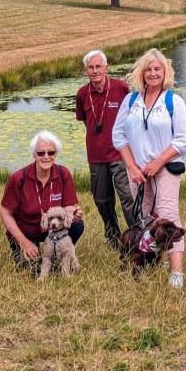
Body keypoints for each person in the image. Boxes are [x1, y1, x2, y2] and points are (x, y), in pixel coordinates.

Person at [112, 48, 186, 289]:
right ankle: (148, 260)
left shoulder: (173, 101)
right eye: (149, 69)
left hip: (165, 169)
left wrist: (157, 162)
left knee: (168, 217)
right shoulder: (131, 101)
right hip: (137, 171)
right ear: (141, 72)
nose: (153, 73)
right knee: (144, 218)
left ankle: (176, 273)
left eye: (158, 69)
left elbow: (183, 139)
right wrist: (132, 167)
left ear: (165, 72)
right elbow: (118, 135)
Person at [75, 49, 137, 248]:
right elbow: (86, 120)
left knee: (128, 197)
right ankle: (113, 237)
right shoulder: (83, 94)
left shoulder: (121, 88)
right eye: (91, 67)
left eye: (98, 66)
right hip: (96, 156)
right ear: (86, 71)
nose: (95, 71)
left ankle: (136, 237)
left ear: (106, 68)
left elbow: (133, 117)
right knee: (102, 199)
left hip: (121, 154)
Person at [0, 131, 85, 271]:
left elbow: (69, 207)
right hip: (26, 232)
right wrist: (24, 242)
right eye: (41, 153)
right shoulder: (19, 178)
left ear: (56, 154)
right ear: (34, 154)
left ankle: (60, 254)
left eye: (51, 153)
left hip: (53, 229)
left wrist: (74, 213)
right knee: (32, 269)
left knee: (77, 225)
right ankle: (32, 251)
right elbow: (5, 212)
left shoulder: (63, 174)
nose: (46, 157)